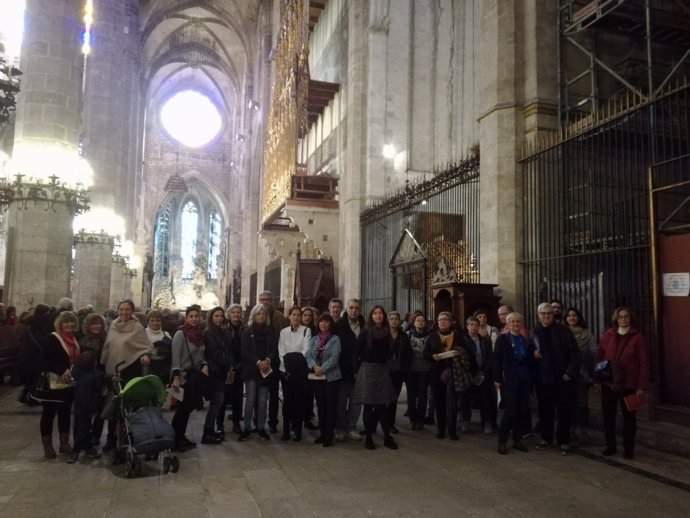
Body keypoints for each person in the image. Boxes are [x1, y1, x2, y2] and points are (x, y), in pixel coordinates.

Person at [596, 307, 649, 459]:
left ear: (630, 319)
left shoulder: (638, 337)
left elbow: (644, 363)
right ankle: (610, 446)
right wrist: (598, 378)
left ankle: (628, 449)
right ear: (616, 319)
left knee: (630, 418)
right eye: (620, 317)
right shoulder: (608, 335)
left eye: (626, 316)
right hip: (609, 383)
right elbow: (599, 356)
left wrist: (641, 386)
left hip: (630, 385)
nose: (623, 319)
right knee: (608, 416)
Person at [100, 300, 152, 450]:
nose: (124, 312)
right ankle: (111, 438)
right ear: (117, 310)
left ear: (132, 311)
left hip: (131, 371)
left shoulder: (137, 327)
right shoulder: (113, 326)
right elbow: (108, 347)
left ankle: (128, 437)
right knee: (114, 405)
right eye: (121, 309)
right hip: (114, 372)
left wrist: (145, 355)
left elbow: (144, 346)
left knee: (128, 407)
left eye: (127, 310)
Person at [531, 302, 581, 455]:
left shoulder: (563, 331)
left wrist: (569, 372)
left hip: (561, 378)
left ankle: (563, 441)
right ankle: (546, 439)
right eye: (543, 313)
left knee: (563, 410)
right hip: (543, 379)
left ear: (553, 315)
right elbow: (528, 353)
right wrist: (532, 355)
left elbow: (575, 353)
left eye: (549, 313)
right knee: (545, 411)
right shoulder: (534, 332)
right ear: (538, 315)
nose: (546, 316)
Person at [354, 306, 399, 450]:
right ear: (371, 316)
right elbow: (356, 352)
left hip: (381, 370)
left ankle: (387, 437)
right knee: (368, 406)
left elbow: (390, 352)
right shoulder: (365, 332)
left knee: (383, 405)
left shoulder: (387, 333)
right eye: (375, 313)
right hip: (367, 370)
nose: (378, 316)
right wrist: (356, 370)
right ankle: (368, 437)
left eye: (380, 313)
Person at [424, 311, 473, 440]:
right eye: (440, 320)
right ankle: (441, 429)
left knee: (452, 402)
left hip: (454, 373)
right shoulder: (432, 336)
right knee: (439, 402)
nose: (443, 322)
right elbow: (425, 353)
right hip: (436, 373)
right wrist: (432, 356)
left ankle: (452, 430)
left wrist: (459, 352)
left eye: (445, 319)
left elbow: (467, 351)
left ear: (451, 322)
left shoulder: (458, 336)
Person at [40, 311, 79, 458]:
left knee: (65, 412)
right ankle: (48, 446)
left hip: (69, 381)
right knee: (48, 413)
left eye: (72, 322)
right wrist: (61, 370)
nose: (69, 324)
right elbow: (44, 360)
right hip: (53, 381)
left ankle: (64, 443)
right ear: (60, 323)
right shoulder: (53, 338)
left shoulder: (74, 338)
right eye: (66, 322)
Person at [170, 305, 210, 450]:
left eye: (196, 316)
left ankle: (180, 436)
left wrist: (204, 363)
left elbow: (200, 355)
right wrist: (176, 377)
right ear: (186, 318)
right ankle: (175, 438)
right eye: (191, 316)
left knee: (188, 408)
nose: (194, 318)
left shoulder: (199, 334)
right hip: (182, 376)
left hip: (194, 376)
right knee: (182, 408)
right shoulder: (181, 334)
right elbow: (175, 357)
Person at [494, 312, 534, 455]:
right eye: (513, 322)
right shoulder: (503, 339)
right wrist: (497, 379)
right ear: (508, 324)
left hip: (524, 379)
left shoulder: (525, 340)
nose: (516, 325)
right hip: (509, 380)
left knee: (522, 411)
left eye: (518, 322)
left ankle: (517, 440)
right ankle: (502, 441)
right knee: (510, 411)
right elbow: (497, 359)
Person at [239, 304, 279, 442]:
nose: (261, 316)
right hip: (251, 370)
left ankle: (261, 427)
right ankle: (247, 427)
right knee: (250, 400)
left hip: (265, 371)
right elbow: (245, 351)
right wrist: (258, 362)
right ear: (254, 316)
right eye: (258, 314)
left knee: (262, 401)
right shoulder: (247, 331)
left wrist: (267, 360)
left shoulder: (270, 331)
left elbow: (274, 349)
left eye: (263, 314)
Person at [305, 313, 342, 447]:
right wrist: (314, 366)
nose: (323, 324)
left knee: (330, 406)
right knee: (321, 406)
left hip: (331, 377)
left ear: (330, 324)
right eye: (321, 322)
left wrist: (322, 368)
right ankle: (322, 432)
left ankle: (329, 434)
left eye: (326, 322)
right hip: (318, 377)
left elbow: (335, 357)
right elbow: (308, 355)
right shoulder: (314, 339)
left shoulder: (335, 339)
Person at [333, 298, 365, 442]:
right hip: (343, 370)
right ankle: (340, 428)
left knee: (356, 401)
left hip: (360, 370)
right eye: (351, 307)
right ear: (346, 309)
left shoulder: (365, 325)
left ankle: (351, 427)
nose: (354, 310)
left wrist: (359, 368)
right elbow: (336, 350)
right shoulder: (339, 325)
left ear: (360, 309)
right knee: (341, 401)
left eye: (356, 308)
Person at [278, 306, 312, 441]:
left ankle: (298, 430)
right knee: (287, 402)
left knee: (299, 401)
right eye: (294, 315)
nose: (296, 317)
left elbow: (306, 350)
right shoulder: (283, 332)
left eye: (299, 315)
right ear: (289, 316)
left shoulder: (306, 331)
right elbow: (281, 350)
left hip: (299, 372)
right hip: (285, 371)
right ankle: (286, 430)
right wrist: (287, 365)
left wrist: (294, 365)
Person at [564, 307, 597, 443]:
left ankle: (581, 429)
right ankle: (570, 428)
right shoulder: (563, 333)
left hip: (583, 373)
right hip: (567, 373)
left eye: (574, 315)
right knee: (568, 402)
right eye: (569, 316)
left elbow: (594, 350)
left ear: (579, 318)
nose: (572, 318)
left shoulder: (587, 333)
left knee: (582, 403)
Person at [258, 290, 289, 433]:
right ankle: (257, 421)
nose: (265, 302)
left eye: (267, 299)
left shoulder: (281, 318)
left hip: (275, 361)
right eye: (262, 299)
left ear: (272, 300)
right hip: (259, 362)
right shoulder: (256, 316)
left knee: (274, 393)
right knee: (259, 394)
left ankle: (273, 422)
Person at [203, 306, 234, 444]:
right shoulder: (209, 332)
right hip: (215, 371)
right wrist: (227, 363)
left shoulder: (221, 331)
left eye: (221, 316)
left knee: (218, 402)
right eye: (216, 316)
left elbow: (227, 349)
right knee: (217, 401)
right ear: (211, 317)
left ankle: (210, 430)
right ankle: (207, 432)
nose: (219, 318)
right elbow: (214, 353)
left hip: (221, 370)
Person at [78, 312, 108, 446]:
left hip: (102, 378)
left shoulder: (106, 340)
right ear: (88, 326)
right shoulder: (82, 342)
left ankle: (96, 435)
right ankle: (85, 436)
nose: (96, 326)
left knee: (101, 409)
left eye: (98, 323)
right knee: (87, 410)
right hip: (88, 379)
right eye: (93, 323)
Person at [461, 316, 493, 434]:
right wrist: (471, 372)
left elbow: (489, 357)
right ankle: (466, 420)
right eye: (471, 325)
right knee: (466, 398)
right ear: (467, 326)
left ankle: (487, 422)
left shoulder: (484, 340)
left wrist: (484, 372)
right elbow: (464, 358)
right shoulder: (463, 340)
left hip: (482, 373)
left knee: (486, 398)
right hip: (468, 374)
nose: (474, 327)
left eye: (476, 325)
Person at [387, 311, 412, 434]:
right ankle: (376, 422)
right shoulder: (383, 334)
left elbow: (408, 353)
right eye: (391, 319)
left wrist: (405, 367)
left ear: (400, 320)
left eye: (396, 319)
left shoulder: (404, 336)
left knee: (393, 397)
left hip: (398, 371)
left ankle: (390, 423)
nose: (394, 321)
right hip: (384, 371)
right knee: (381, 397)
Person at [406, 312, 431, 430]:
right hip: (411, 369)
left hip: (425, 370)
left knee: (422, 395)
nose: (420, 323)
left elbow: (429, 353)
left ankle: (420, 419)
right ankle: (412, 419)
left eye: (422, 321)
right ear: (413, 322)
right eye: (418, 320)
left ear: (425, 323)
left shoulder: (430, 336)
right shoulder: (408, 335)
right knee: (411, 396)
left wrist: (420, 354)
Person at [226, 304, 246, 434]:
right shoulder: (224, 328)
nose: (236, 314)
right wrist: (229, 363)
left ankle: (236, 422)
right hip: (227, 366)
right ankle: (219, 424)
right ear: (229, 314)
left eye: (238, 312)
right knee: (225, 394)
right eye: (233, 312)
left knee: (238, 395)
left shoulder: (244, 328)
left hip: (241, 365)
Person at [145, 309, 173, 384]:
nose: (155, 323)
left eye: (158, 320)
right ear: (148, 321)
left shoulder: (166, 334)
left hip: (164, 368)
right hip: (148, 368)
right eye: (152, 320)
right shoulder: (143, 333)